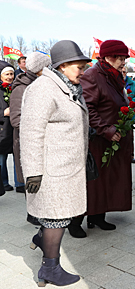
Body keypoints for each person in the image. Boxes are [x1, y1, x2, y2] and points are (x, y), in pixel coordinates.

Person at [20, 40, 90, 286]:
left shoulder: (67, 86)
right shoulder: (44, 89)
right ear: (62, 65)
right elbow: (30, 132)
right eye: (78, 66)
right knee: (56, 218)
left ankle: (41, 239)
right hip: (51, 170)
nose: (83, 71)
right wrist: (33, 172)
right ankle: (49, 268)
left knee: (59, 217)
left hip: (66, 166)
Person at [69, 39, 133, 238]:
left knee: (107, 180)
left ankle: (97, 217)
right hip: (98, 139)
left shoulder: (112, 75)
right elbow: (88, 108)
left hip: (113, 138)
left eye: (124, 58)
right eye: (120, 58)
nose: (124, 62)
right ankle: (75, 221)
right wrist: (106, 130)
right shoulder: (93, 76)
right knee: (93, 181)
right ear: (108, 57)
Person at [10, 52, 51, 225]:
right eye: (47, 67)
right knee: (32, 179)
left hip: (44, 142)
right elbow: (16, 119)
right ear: (39, 69)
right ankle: (33, 214)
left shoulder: (44, 85)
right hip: (27, 143)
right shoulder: (21, 88)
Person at [0, 62, 24, 193]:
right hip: (2, 130)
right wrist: (3, 113)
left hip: (14, 129)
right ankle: (3, 183)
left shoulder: (15, 88)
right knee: (2, 159)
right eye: (7, 74)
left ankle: (19, 183)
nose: (10, 77)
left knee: (17, 157)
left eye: (11, 74)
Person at [123, 67, 135, 164]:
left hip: (130, 114)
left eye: (123, 71)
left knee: (130, 136)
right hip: (117, 113)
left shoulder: (134, 84)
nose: (122, 73)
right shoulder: (112, 83)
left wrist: (132, 102)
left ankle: (131, 155)